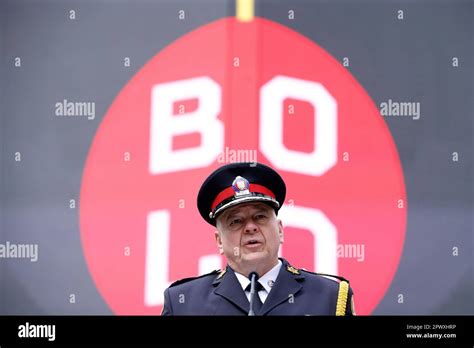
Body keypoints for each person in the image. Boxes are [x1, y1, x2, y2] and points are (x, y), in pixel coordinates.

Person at [161, 162, 355, 316]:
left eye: (260, 217)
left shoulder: (329, 296)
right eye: (236, 221)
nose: (250, 227)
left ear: (280, 229)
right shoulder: (184, 301)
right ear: (219, 241)